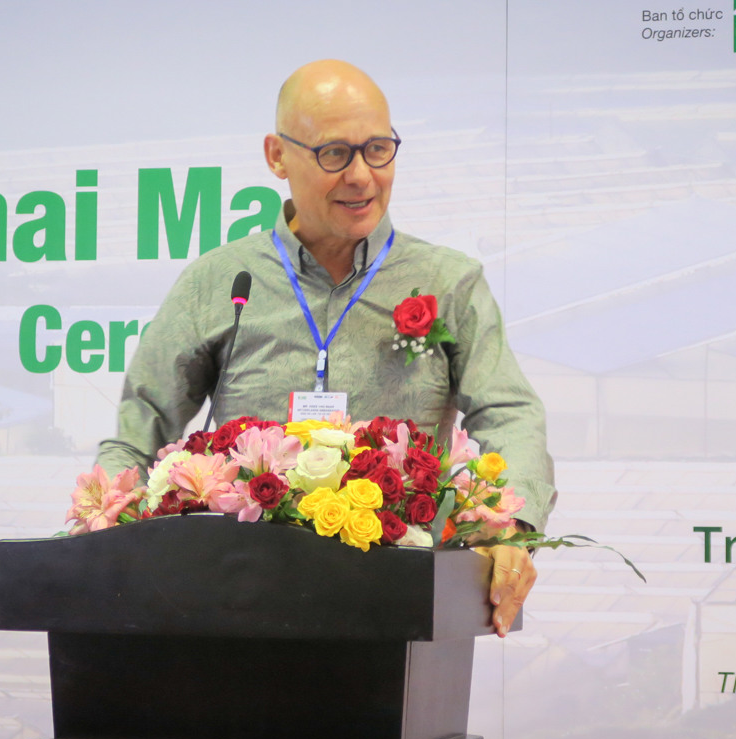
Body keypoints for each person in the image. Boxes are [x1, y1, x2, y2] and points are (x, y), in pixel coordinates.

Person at [98, 59, 554, 636]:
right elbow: (140, 426)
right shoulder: (218, 282)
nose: (362, 176)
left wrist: (509, 529)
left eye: (378, 150)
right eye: (335, 154)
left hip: (399, 607)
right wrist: (103, 531)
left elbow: (510, 412)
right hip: (235, 603)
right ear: (277, 156)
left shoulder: (448, 282)